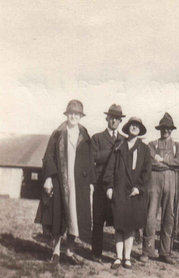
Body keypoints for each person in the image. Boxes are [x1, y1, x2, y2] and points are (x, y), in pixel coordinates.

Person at [34, 99, 95, 266]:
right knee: (58, 216)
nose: (73, 116)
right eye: (71, 113)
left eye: (77, 114)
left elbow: (90, 160)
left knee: (75, 218)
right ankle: (55, 252)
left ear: (80, 116)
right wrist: (48, 178)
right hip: (60, 180)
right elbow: (48, 157)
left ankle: (69, 250)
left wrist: (91, 182)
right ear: (67, 114)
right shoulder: (58, 133)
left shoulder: (84, 134)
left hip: (79, 184)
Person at [103, 116, 152, 269]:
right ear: (128, 127)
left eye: (137, 126)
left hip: (134, 193)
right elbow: (110, 168)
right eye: (132, 125)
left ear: (140, 130)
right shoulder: (119, 146)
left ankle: (127, 258)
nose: (134, 128)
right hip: (119, 190)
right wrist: (109, 187)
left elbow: (146, 173)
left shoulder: (144, 150)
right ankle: (118, 257)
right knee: (119, 225)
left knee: (130, 227)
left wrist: (139, 188)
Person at [140, 112, 179, 265]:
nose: (165, 131)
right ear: (159, 129)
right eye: (163, 128)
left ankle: (165, 252)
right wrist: (168, 164)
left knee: (169, 218)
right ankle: (147, 250)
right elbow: (150, 161)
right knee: (150, 216)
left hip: (171, 185)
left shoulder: (177, 145)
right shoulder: (152, 145)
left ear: (172, 130)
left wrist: (164, 160)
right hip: (154, 184)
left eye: (168, 128)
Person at [91, 104, 125, 263]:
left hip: (116, 187)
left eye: (117, 119)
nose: (114, 121)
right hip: (99, 185)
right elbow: (94, 157)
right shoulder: (97, 138)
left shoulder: (124, 140)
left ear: (120, 122)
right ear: (107, 119)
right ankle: (96, 253)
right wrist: (113, 152)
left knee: (119, 220)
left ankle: (120, 255)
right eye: (111, 118)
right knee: (98, 221)